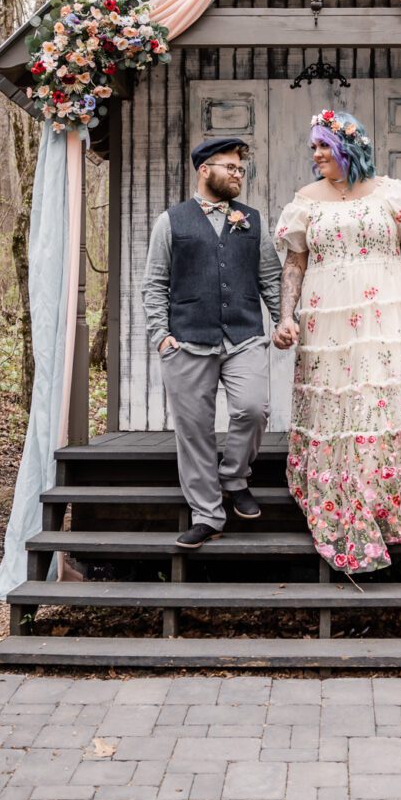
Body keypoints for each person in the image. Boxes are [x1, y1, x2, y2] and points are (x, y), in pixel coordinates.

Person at [272, 110, 401, 574]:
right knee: (340, 409)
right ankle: (344, 503)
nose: (315, 155)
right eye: (312, 147)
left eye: (322, 146)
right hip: (327, 321)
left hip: (388, 313)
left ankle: (383, 501)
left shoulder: (392, 194)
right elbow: (294, 265)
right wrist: (286, 315)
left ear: (347, 148)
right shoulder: (306, 200)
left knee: (382, 401)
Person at [141, 137, 281, 548]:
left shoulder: (252, 221)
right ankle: (207, 514)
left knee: (253, 409)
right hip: (186, 341)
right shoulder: (172, 221)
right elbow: (154, 284)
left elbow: (269, 279)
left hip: (244, 336)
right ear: (205, 170)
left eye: (241, 169)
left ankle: (235, 478)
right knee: (194, 430)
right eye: (231, 168)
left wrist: (283, 319)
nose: (239, 175)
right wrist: (161, 336)